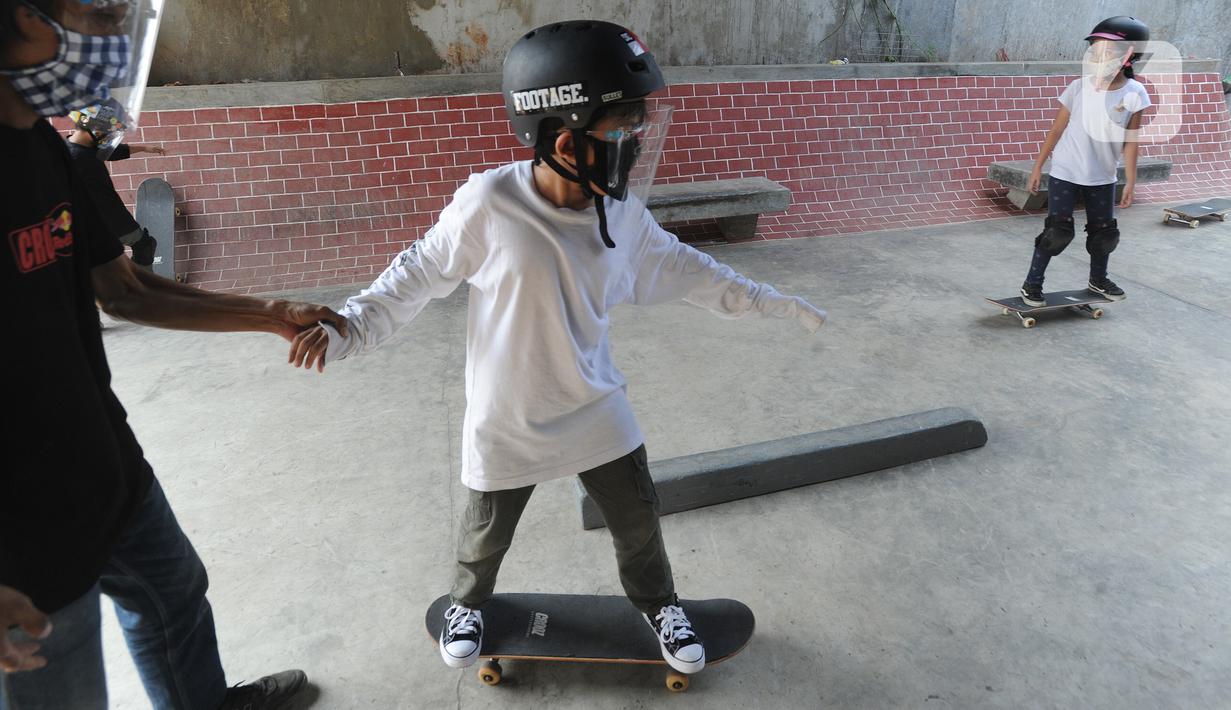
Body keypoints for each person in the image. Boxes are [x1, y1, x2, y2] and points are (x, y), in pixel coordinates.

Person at [287, 20, 826, 676]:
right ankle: (467, 604)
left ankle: (659, 606)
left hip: (594, 403)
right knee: (485, 533)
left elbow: (688, 269)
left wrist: (767, 299)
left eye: (636, 128)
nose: (633, 144)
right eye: (621, 130)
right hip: (506, 410)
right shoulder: (489, 203)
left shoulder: (622, 214)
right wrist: (347, 326)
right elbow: (414, 275)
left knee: (637, 519)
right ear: (565, 138)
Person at [0, 1, 348, 708]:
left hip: (103, 464)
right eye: (96, 15)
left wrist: (269, 313)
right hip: (18, 531)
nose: (112, 43)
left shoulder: (46, 149)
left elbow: (123, 292)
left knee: (174, 594)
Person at [1019, 16, 1151, 307]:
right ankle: (1032, 284)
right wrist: (1038, 166)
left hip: (1103, 176)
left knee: (1104, 234)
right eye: (1095, 49)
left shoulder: (1135, 93)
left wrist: (1130, 179)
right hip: (1065, 171)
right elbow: (1056, 130)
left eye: (1106, 50)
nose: (1097, 56)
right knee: (1057, 231)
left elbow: (1131, 141)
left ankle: (1098, 279)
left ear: (1128, 54)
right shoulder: (1078, 87)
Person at [66, 102, 163, 268]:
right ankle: (139, 289)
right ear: (95, 130)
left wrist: (145, 148)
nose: (108, 136)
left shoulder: (79, 147)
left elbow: (113, 152)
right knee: (142, 247)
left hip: (105, 219)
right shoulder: (76, 157)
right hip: (107, 220)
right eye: (107, 131)